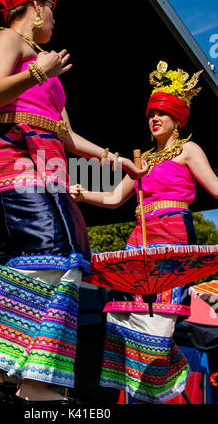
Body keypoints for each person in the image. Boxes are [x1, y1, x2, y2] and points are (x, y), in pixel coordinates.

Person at [0, 0, 147, 405]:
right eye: (52, 8)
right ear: (36, 6)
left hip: (50, 166)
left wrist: (118, 161)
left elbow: (68, 135)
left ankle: (37, 385)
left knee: (72, 261)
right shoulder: (6, 40)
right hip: (16, 159)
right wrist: (38, 71)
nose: (55, 18)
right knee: (50, 251)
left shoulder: (48, 68)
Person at [71, 60, 218, 404]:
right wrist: (80, 193)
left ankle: (169, 387)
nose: (154, 119)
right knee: (127, 323)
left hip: (172, 246)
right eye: (151, 114)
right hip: (139, 244)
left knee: (158, 328)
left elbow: (215, 187)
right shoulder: (143, 161)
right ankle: (148, 395)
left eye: (162, 114)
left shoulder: (188, 151)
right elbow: (112, 198)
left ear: (177, 119)